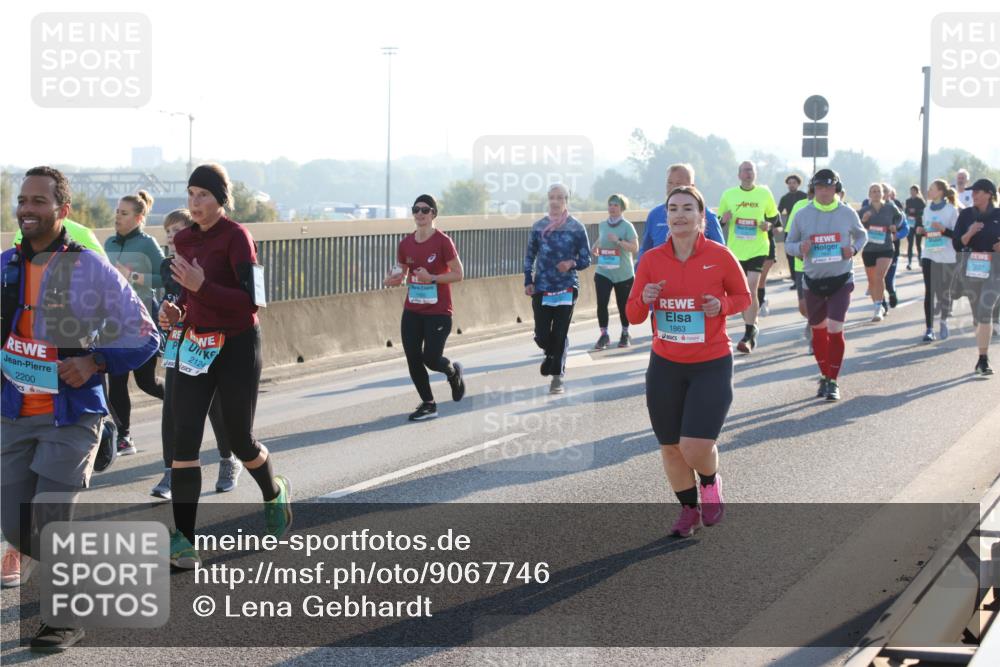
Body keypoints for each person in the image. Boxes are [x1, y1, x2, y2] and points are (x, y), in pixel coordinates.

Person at [1, 166, 159, 651]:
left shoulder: (88, 267)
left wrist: (96, 361)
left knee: (51, 518)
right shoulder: (5, 266)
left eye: (38, 201)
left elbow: (144, 334)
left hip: (71, 416)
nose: (27, 209)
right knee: (15, 527)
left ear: (62, 210)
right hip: (12, 414)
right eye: (22, 200)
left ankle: (65, 619)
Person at [158, 163, 291, 568]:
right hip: (195, 344)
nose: (195, 202)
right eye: (191, 194)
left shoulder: (238, 237)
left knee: (239, 440)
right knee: (184, 438)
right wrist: (177, 310)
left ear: (220, 199)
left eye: (203, 195)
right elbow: (187, 296)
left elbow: (252, 303)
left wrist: (203, 286)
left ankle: (274, 494)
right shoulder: (183, 239)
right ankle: (185, 539)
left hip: (237, 344)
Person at [626, 185, 750, 537]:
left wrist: (721, 306)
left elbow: (743, 296)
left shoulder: (720, 256)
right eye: (673, 209)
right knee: (670, 448)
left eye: (687, 208)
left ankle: (709, 482)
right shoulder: (651, 260)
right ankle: (688, 511)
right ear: (665, 217)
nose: (679, 215)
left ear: (701, 217)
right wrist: (644, 298)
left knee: (694, 446)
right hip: (665, 365)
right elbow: (633, 315)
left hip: (711, 363)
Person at [153, 208, 239, 498]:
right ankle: (170, 473)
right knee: (171, 406)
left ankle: (228, 459)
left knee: (215, 407)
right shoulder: (167, 266)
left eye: (177, 230)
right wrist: (165, 315)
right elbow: (172, 299)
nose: (171, 237)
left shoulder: (207, 263)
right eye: (168, 232)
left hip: (205, 342)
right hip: (177, 341)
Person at [784, 169, 868, 401]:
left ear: (836, 189)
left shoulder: (847, 212)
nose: (824, 192)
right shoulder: (803, 214)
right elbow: (788, 244)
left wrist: (853, 249)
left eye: (828, 188)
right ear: (814, 189)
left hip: (841, 280)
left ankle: (833, 381)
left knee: (835, 327)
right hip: (813, 281)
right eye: (819, 188)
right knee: (818, 331)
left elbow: (862, 236)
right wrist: (799, 248)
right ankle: (825, 374)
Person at [382, 194, 466, 421]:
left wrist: (432, 278)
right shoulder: (405, 243)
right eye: (416, 209)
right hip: (413, 310)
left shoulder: (443, 242)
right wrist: (392, 279)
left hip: (438, 312)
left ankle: (452, 372)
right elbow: (402, 273)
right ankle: (428, 404)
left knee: (430, 358)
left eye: (425, 210)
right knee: (413, 358)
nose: (420, 214)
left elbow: (458, 274)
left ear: (433, 214)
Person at [103, 190, 166, 456]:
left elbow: (166, 277)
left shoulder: (147, 244)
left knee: (146, 382)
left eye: (124, 213)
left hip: (142, 321)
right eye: (117, 212)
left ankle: (185, 400)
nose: (118, 217)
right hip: (114, 321)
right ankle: (124, 437)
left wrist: (136, 277)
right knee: (116, 380)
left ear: (139, 218)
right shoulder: (109, 243)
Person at [523, 183, 591, 394]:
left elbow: (586, 259)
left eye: (559, 197)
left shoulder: (576, 227)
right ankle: (551, 353)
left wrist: (571, 263)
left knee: (560, 333)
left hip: (566, 287)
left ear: (566, 201)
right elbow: (530, 255)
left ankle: (557, 377)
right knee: (542, 335)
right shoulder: (538, 226)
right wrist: (528, 280)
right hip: (542, 287)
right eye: (552, 197)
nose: (555, 201)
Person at [718, 161, 780, 353]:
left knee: (751, 287)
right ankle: (752, 325)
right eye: (744, 170)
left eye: (751, 170)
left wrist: (768, 226)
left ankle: (748, 334)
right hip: (736, 251)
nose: (748, 173)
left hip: (758, 248)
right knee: (740, 292)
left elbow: (775, 220)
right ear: (739, 175)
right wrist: (723, 220)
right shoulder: (729, 195)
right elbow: (718, 222)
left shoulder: (764, 194)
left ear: (755, 174)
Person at [951, 178, 1000, 376]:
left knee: (985, 310)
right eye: (972, 192)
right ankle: (982, 354)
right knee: (977, 316)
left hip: (995, 269)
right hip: (971, 268)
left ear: (989, 194)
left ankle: (984, 359)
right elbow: (956, 244)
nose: (973, 195)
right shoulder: (965, 215)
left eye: (978, 191)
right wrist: (969, 233)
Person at [636, 163, 724, 263]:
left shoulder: (708, 216)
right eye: (670, 183)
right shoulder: (654, 215)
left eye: (678, 184)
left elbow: (720, 253)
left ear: (692, 187)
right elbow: (645, 250)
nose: (673, 188)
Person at [592, 194, 638, 349]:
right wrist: (595, 248)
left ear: (622, 208)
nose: (612, 208)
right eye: (610, 204)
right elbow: (601, 238)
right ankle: (604, 335)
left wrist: (618, 241)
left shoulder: (627, 226)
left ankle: (625, 333)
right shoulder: (602, 224)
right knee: (601, 304)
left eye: (615, 205)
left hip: (623, 273)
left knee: (623, 305)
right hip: (603, 271)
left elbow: (634, 248)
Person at [915, 180, 959, 342]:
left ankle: (944, 322)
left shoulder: (951, 210)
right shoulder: (926, 209)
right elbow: (928, 232)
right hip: (929, 254)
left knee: (944, 292)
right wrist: (921, 231)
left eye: (931, 189)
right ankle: (929, 329)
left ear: (940, 191)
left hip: (947, 256)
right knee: (930, 291)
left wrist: (943, 229)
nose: (928, 191)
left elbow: (957, 235)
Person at [858, 183, 902, 322]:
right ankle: (878, 305)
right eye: (873, 191)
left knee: (878, 277)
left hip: (886, 247)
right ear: (869, 194)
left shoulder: (890, 207)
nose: (876, 193)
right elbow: (857, 228)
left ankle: (878, 309)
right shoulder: (864, 210)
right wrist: (864, 220)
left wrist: (895, 226)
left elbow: (900, 217)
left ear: (883, 194)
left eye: (878, 191)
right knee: (872, 281)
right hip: (869, 249)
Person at [785, 184, 816, 353]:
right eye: (813, 191)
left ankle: (815, 338)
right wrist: (798, 250)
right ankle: (812, 321)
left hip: (823, 264)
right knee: (803, 306)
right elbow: (790, 235)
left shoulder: (834, 208)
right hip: (801, 265)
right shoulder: (799, 207)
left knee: (820, 302)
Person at [778, 174, 809, 289]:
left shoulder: (804, 196)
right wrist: (777, 226)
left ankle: (806, 277)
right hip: (790, 229)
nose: (791, 185)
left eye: (794, 183)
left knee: (803, 253)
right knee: (790, 255)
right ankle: (795, 280)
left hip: (803, 230)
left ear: (798, 184)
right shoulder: (784, 198)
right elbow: (778, 213)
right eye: (789, 183)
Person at [883, 185, 909, 309]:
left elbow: (906, 228)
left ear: (889, 194)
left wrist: (896, 235)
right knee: (877, 280)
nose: (880, 193)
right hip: (874, 249)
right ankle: (881, 305)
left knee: (888, 280)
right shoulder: (870, 208)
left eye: (884, 191)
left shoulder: (895, 209)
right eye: (878, 191)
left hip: (892, 249)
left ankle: (892, 292)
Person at [905, 185, 926, 270]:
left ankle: (920, 259)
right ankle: (909, 262)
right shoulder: (908, 201)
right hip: (910, 224)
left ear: (917, 192)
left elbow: (923, 211)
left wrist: (915, 211)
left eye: (914, 191)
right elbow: (906, 210)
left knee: (918, 243)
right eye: (911, 191)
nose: (912, 192)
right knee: (910, 243)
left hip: (918, 224)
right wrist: (909, 211)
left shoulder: (920, 201)